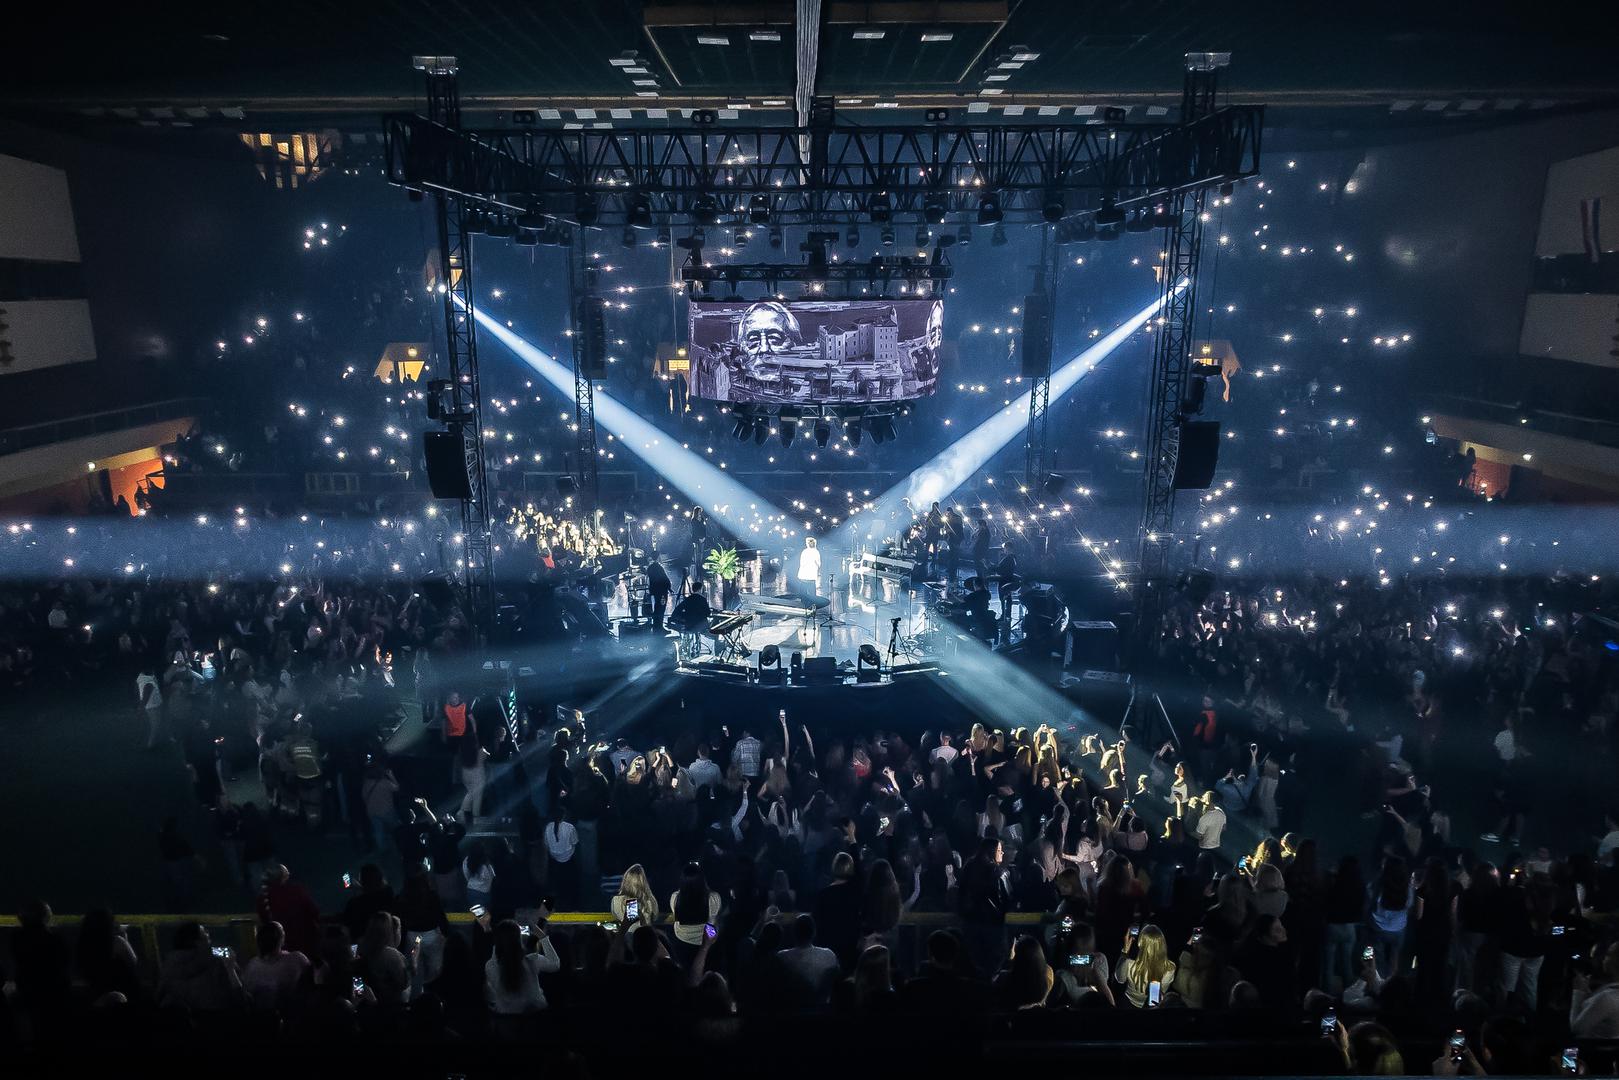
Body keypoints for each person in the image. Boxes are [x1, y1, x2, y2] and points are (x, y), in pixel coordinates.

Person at [158, 922, 245, 1010]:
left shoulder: (171, 963)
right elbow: (239, 999)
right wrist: (230, 968)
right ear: (197, 942)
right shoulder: (212, 962)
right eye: (204, 932)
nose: (208, 934)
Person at [484, 918, 560, 1014]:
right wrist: (543, 937)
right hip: (536, 1017)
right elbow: (555, 964)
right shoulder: (531, 959)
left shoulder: (491, 966)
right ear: (519, 939)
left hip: (508, 1020)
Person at [240, 920, 311, 1011]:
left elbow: (246, 994)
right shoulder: (297, 959)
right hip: (294, 1014)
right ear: (281, 939)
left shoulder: (252, 965)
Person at [773, 914, 840, 1007]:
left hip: (790, 1012)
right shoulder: (829, 955)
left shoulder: (781, 957)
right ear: (814, 933)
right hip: (822, 1012)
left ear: (793, 933)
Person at [670, 862, 722, 966]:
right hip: (705, 941)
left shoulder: (675, 897)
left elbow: (674, 915)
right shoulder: (713, 898)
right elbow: (712, 923)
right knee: (717, 923)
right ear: (703, 880)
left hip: (681, 937)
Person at [1115, 923, 1176, 1008]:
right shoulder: (1170, 968)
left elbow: (1119, 979)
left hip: (1128, 1004)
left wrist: (1125, 952)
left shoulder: (1129, 964)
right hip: (1151, 1006)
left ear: (1140, 943)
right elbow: (1161, 993)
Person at [992, 934, 1053, 1010]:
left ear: (1018, 956)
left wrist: (1009, 961)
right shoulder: (1048, 972)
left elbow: (994, 985)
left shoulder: (1005, 978)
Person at [543, 803, 580, 909]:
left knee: (558, 883)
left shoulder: (548, 827)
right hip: (568, 859)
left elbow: (546, 844)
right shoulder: (570, 827)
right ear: (564, 815)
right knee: (570, 883)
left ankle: (559, 902)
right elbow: (575, 842)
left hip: (554, 860)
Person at [457, 721, 490, 822]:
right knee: (477, 797)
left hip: (466, 774)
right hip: (477, 775)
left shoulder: (463, 750)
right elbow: (488, 756)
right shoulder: (480, 751)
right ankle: (475, 817)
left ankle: (462, 813)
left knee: (470, 793)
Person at [611, 864, 659, 928]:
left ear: (626, 880)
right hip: (646, 932)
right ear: (643, 881)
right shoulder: (650, 899)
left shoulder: (616, 900)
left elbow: (616, 916)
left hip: (626, 932)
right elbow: (655, 917)